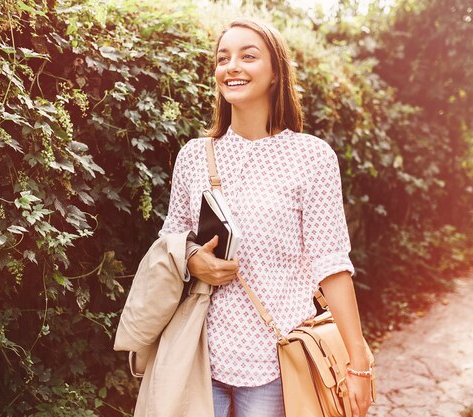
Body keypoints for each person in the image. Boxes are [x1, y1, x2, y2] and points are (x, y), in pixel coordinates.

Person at [159, 18, 373, 417]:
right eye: (223, 58)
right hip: (199, 354)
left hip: (277, 362)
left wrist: (357, 362)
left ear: (276, 73)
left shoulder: (312, 158)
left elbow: (332, 265)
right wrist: (192, 259)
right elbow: (171, 239)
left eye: (248, 56)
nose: (232, 66)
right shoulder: (193, 156)